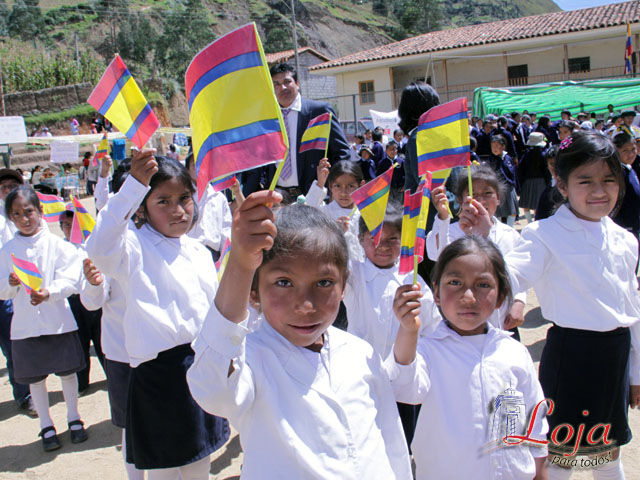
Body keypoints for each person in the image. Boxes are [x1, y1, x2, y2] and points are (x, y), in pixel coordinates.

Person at [186, 193, 413, 479]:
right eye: (284, 282)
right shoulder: (250, 360)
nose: (305, 305)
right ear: (254, 293)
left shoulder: (360, 353)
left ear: (344, 286)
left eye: (324, 282)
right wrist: (241, 264)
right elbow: (211, 388)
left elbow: (391, 442)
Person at [85, 151, 229, 478]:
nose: (178, 211)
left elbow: (215, 310)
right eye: (162, 201)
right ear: (143, 209)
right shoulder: (133, 248)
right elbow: (99, 248)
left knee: (199, 463)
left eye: (185, 198)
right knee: (164, 469)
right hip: (159, 376)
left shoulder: (197, 250)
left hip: (201, 365)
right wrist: (133, 185)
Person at [505, 131, 640, 479]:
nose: (599, 191)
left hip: (616, 355)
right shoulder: (543, 234)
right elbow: (509, 277)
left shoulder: (625, 240)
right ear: (562, 186)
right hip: (571, 355)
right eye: (585, 181)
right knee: (561, 453)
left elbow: (633, 307)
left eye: (609, 180)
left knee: (608, 450)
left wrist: (636, 373)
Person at [390, 236, 548, 479]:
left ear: (501, 295)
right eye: (455, 282)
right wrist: (408, 330)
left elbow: (535, 420)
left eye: (483, 285)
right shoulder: (428, 351)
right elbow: (404, 386)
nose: (468, 297)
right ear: (437, 293)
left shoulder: (513, 351)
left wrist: (539, 471)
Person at [344, 202, 440, 448]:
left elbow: (431, 329)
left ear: (404, 241)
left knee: (400, 441)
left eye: (392, 239)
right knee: (363, 439)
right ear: (360, 239)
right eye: (374, 238)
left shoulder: (413, 281)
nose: (382, 246)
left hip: (402, 379)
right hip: (361, 374)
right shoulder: (353, 275)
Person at [0, 186, 87, 451]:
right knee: (35, 378)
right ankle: (46, 425)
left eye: (28, 212)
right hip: (26, 326)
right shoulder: (8, 250)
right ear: (10, 218)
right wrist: (11, 283)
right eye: (16, 214)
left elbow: (71, 278)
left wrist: (50, 292)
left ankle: (74, 418)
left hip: (57, 319)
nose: (24, 219)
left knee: (67, 371)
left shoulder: (57, 245)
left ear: (40, 211)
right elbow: (2, 290)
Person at [80, 161, 144, 480]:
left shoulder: (168, 236)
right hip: (122, 354)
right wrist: (93, 283)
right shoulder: (106, 240)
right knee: (130, 426)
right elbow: (93, 301)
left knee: (164, 423)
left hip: (161, 353)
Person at [426, 164, 526, 339]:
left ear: (499, 198)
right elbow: (435, 253)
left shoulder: (510, 235)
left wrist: (519, 301)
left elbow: (519, 273)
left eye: (487, 194)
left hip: (502, 325)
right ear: (460, 200)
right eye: (473, 195)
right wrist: (442, 217)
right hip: (462, 325)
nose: (480, 201)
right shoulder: (452, 231)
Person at [245, 63, 350, 200]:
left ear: (297, 84)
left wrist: (329, 187)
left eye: (287, 82)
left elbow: (342, 153)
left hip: (312, 195)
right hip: (277, 197)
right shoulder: (267, 118)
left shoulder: (320, 112)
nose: (282, 87)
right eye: (276, 84)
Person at [58, 210, 105, 396]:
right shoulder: (60, 248)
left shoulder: (90, 246)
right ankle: (82, 382)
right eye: (67, 225)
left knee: (101, 340)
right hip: (73, 300)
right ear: (61, 228)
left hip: (93, 297)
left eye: (75, 224)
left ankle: (111, 374)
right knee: (80, 342)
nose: (71, 229)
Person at [0, 170, 31, 415]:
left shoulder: (24, 217)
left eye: (13, 184)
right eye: (3, 186)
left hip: (10, 294)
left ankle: (25, 395)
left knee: (14, 348)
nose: (8, 189)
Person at [184, 154, 233, 262]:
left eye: (204, 165)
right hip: (188, 253)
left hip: (213, 255)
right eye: (194, 165)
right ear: (187, 170)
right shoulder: (183, 196)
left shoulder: (219, 198)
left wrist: (225, 258)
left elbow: (226, 229)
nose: (199, 169)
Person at [398, 81, 440, 193]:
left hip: (432, 208)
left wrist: (457, 209)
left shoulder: (419, 138)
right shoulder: (438, 135)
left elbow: (428, 186)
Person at [305, 159, 364, 238]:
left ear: (361, 186)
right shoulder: (325, 213)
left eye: (350, 186)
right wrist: (320, 183)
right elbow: (306, 214)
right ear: (330, 186)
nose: (343, 193)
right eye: (338, 186)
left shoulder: (365, 214)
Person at [612, 132, 640, 241]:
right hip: (623, 227)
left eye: (633, 149)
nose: (631, 154)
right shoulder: (618, 172)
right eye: (625, 151)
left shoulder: (629, 168)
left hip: (633, 223)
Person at [518, 132, 550, 223]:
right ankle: (537, 222)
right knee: (538, 204)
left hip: (528, 181)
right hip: (541, 182)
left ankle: (529, 222)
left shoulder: (526, 155)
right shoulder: (544, 154)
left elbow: (520, 169)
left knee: (526, 205)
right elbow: (547, 171)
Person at [487, 135, 518, 226]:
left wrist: (513, 185)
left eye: (497, 145)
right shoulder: (491, 160)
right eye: (493, 146)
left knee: (512, 211)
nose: (494, 148)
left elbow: (512, 174)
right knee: (498, 212)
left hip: (509, 188)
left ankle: (510, 228)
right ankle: (499, 230)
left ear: (503, 146)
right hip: (497, 188)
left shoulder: (508, 158)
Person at [534, 146, 563, 221]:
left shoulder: (573, 187)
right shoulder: (547, 192)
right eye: (551, 164)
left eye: (557, 163)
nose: (554, 167)